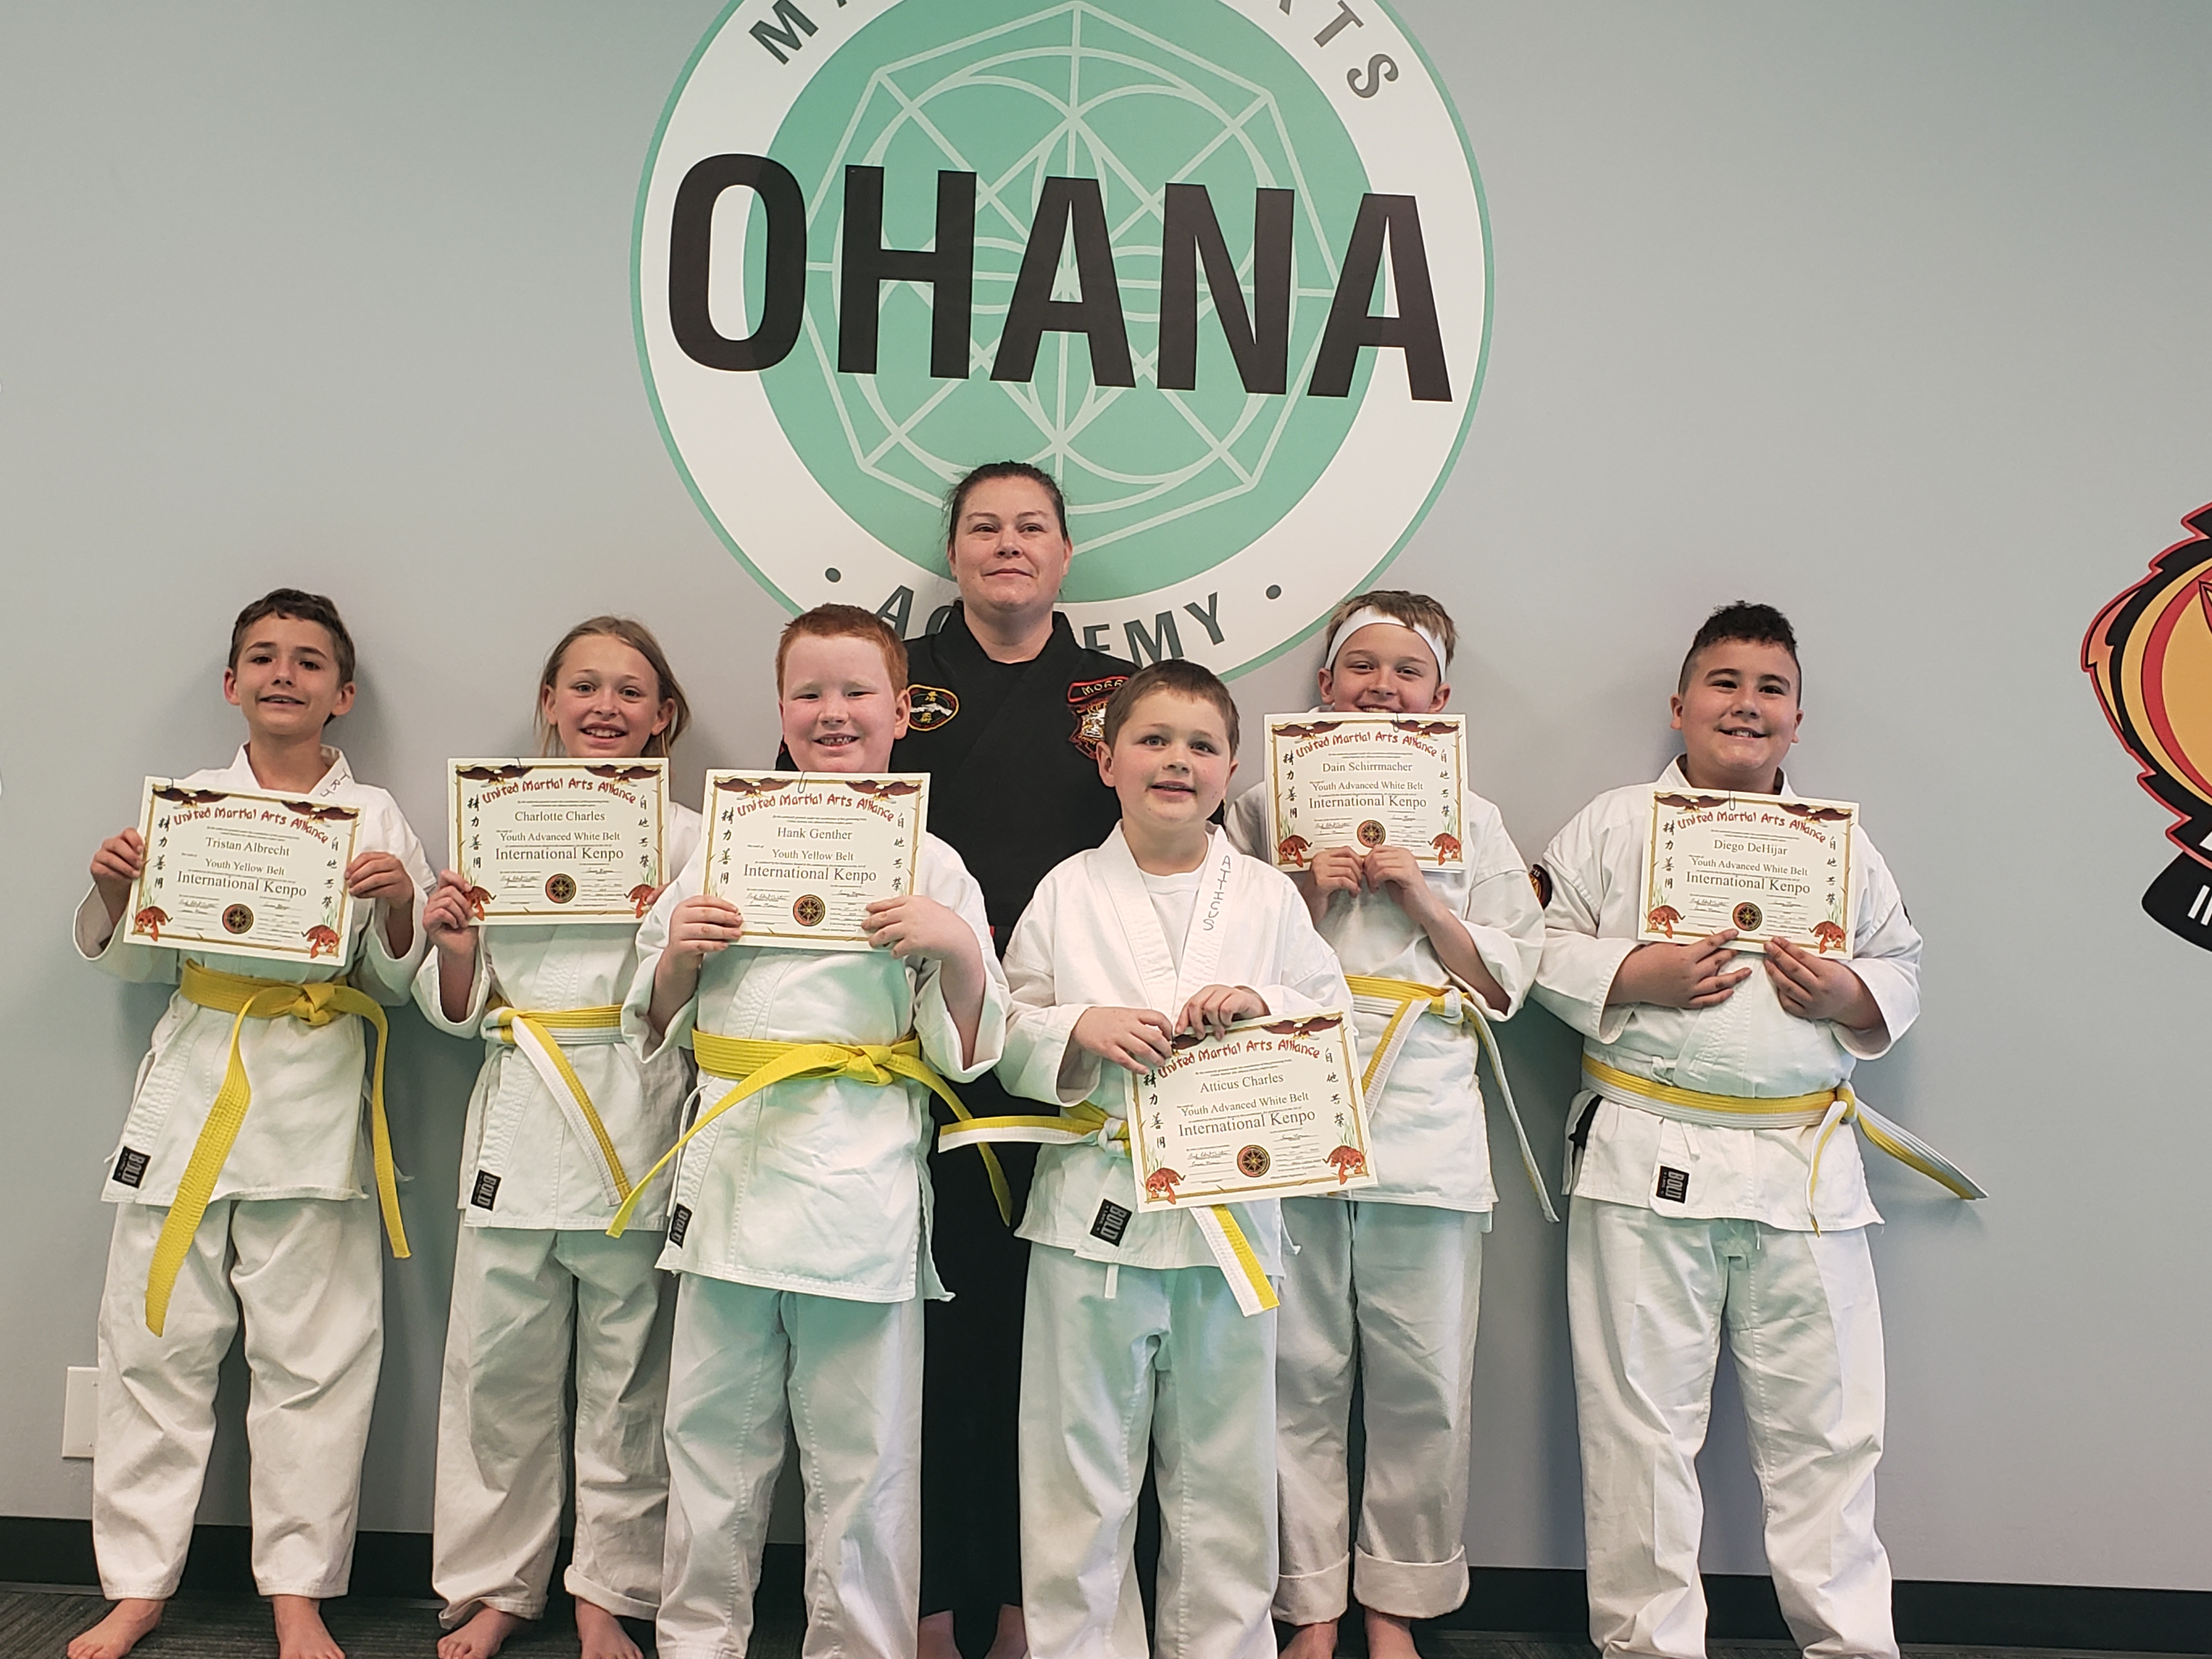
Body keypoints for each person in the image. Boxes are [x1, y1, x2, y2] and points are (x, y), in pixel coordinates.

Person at [1532, 601, 1971, 1659]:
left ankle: (1853, 1644)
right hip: (1646, 1152)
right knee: (1640, 1429)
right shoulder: (1610, 822)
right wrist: (1635, 974)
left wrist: (1849, 995)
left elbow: (1903, 964)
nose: (1746, 704)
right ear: (1680, 707)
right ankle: (1649, 1646)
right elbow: (1530, 944)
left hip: (1803, 1167)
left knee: (1830, 1433)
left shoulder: (1843, 846)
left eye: (1769, 689)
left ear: (1798, 719)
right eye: (1724, 683)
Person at [626, 604, 1009, 1659]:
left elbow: (971, 1054)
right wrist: (677, 961)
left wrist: (960, 953)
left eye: (856, 694)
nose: (833, 714)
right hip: (735, 1173)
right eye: (810, 694)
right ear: (780, 710)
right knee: (709, 1442)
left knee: (868, 1456)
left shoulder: (934, 865)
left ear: (902, 711)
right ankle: (697, 1643)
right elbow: (650, 1029)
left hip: (863, 1182)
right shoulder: (716, 841)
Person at [71, 589, 431, 1659]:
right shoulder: (183, 807)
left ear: (343, 694)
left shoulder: (375, 820)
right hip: (189, 1099)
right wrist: (111, 890)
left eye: (309, 661)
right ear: (232, 684)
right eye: (264, 658)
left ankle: (298, 1596)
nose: (285, 673)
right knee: (152, 1352)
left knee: (316, 1365)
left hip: (316, 1108)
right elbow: (138, 963)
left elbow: (402, 986)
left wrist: (402, 907)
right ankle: (137, 1587)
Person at [990, 660, 1350, 1659]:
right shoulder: (1066, 891)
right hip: (1092, 1214)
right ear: (1105, 761)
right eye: (1152, 740)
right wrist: (1081, 1025)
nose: (1176, 761)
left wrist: (1260, 1010)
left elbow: (1337, 1028)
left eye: (1200, 745)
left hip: (1233, 1223)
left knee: (1226, 1473)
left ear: (1231, 768)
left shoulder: (1271, 898)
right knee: (1078, 1470)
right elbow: (1006, 1028)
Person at [1224, 591, 1545, 1659]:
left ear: (1440, 699)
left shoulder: (1478, 820)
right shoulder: (1264, 806)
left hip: (1423, 1124)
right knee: (1293, 1372)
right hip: (1291, 1104)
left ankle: (1394, 1605)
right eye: (1360, 667)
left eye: (1405, 672)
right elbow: (1211, 963)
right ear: (1324, 686)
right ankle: (1309, 1605)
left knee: (1422, 1383)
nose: (1380, 686)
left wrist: (1423, 897)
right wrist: (1302, 895)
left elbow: (1509, 984)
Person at [414, 618, 700, 1659]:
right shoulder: (489, 823)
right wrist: (451, 945)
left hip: (634, 1110)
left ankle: (608, 1589)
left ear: (663, 716)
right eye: (584, 686)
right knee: (498, 1373)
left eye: (632, 692)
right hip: (520, 1109)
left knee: (631, 1375)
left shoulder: (692, 837)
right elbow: (459, 1004)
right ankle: (499, 1584)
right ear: (547, 700)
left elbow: (697, 988)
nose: (605, 707)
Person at [891, 461, 1127, 1659]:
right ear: (954, 554)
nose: (1007, 544)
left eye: (1031, 525)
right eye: (982, 526)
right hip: (929, 1049)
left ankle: (1044, 1604)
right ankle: (935, 1599)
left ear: (1066, 553)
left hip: (1084, 1056)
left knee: (1064, 1352)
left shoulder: (1121, 696)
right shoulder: (895, 685)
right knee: (944, 1338)